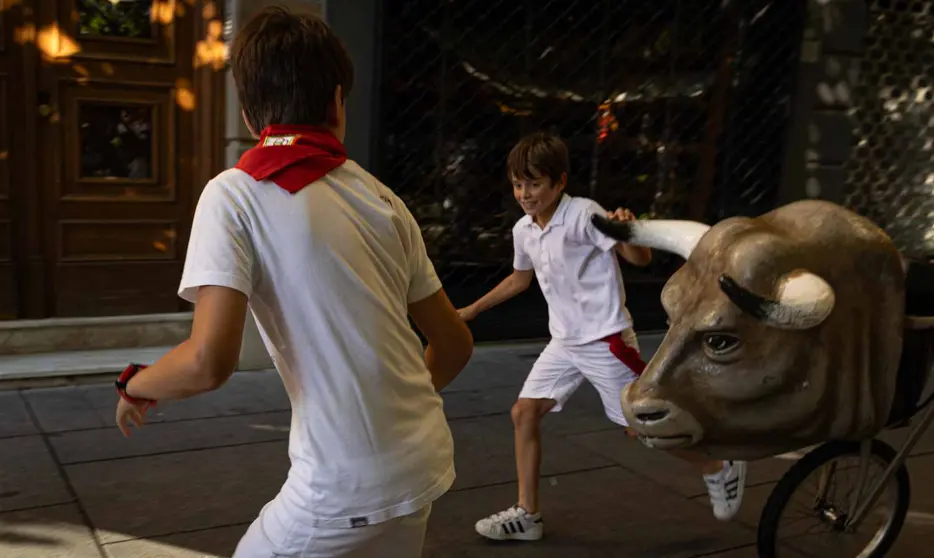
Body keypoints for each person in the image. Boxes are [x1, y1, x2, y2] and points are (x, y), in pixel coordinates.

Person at [111, 7, 474, 557]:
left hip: (341, 487)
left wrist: (134, 383)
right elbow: (453, 343)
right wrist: (391, 412)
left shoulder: (234, 195)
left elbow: (208, 362)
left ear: (248, 111)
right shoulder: (385, 201)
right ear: (336, 101)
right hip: (423, 457)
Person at [458, 131, 747, 542]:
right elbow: (520, 279)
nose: (525, 193)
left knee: (639, 429)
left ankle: (717, 466)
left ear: (559, 182)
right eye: (518, 184)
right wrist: (471, 310)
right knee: (524, 413)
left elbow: (639, 258)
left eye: (535, 183)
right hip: (563, 343)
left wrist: (628, 233)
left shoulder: (581, 214)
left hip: (606, 341)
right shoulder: (524, 229)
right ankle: (527, 515)